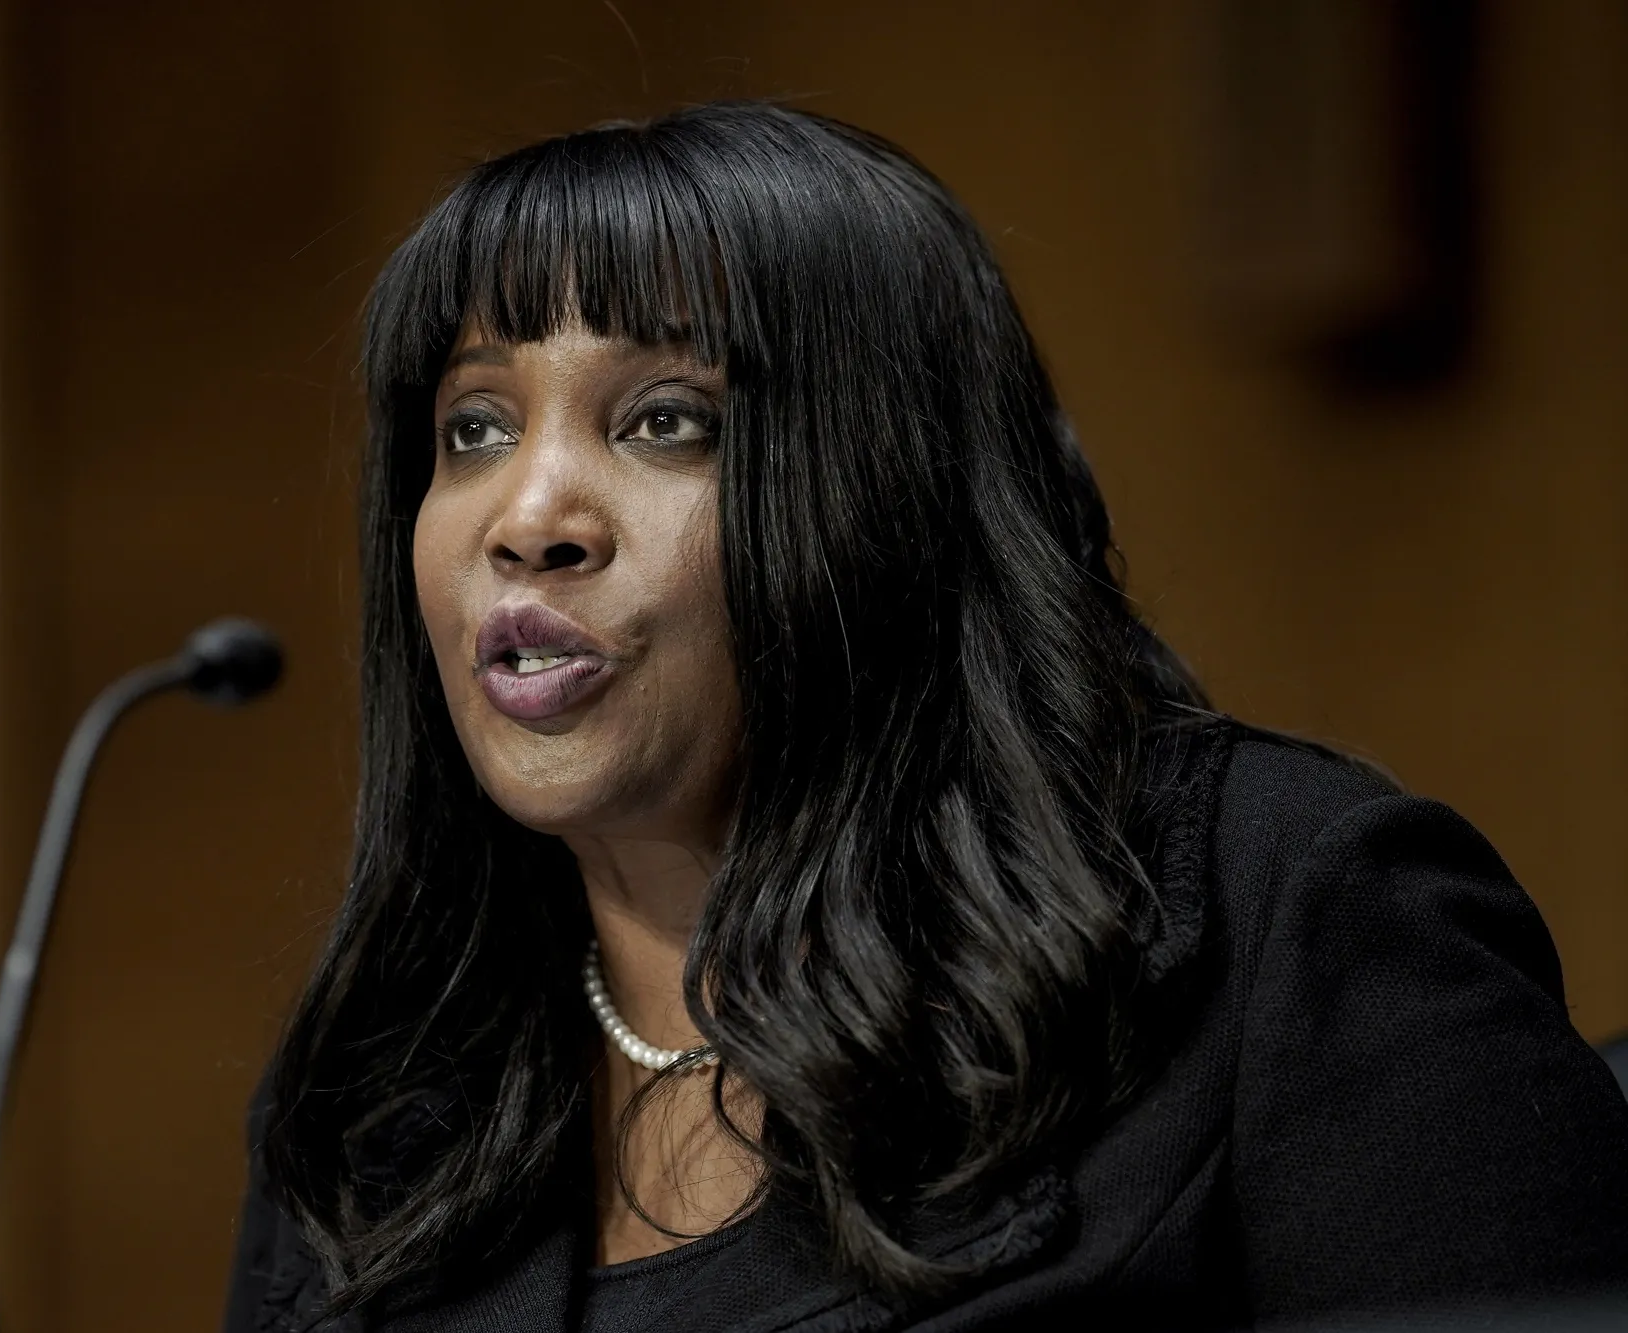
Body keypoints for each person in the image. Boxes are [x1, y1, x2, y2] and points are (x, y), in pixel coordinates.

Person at [221, 102, 1628, 1332]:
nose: (527, 520)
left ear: (888, 493)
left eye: (665, 419)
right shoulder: (379, 1097)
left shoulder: (1280, 923)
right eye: (473, 426)